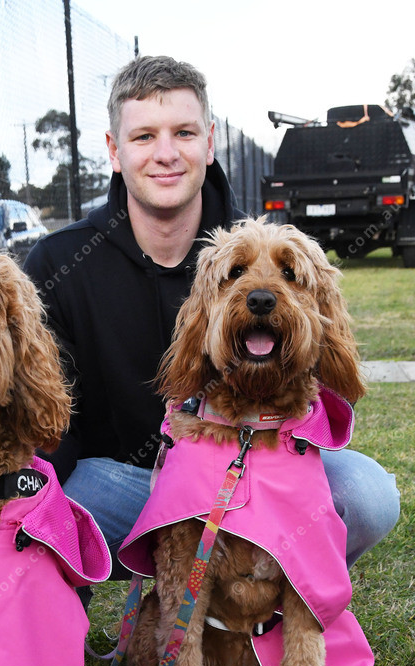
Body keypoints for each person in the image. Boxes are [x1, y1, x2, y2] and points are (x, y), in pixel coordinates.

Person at [24, 55, 399, 576]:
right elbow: (44, 414)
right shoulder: (59, 261)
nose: (166, 154)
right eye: (144, 136)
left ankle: (263, 600)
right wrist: (32, 499)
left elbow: (327, 372)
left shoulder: (262, 252)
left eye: (184, 132)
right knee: (40, 494)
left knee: (366, 494)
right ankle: (68, 599)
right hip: (123, 488)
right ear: (114, 150)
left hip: (251, 478)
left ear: (209, 141)